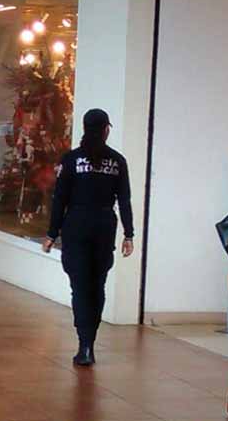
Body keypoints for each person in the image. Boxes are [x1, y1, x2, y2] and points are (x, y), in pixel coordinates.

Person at [43, 108, 134, 367]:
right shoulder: (117, 161)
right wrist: (128, 234)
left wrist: (52, 233)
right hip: (104, 226)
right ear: (106, 130)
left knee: (80, 287)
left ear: (84, 128)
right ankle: (89, 342)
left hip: (77, 226)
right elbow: (124, 200)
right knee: (97, 285)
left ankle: (84, 344)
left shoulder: (71, 160)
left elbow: (60, 199)